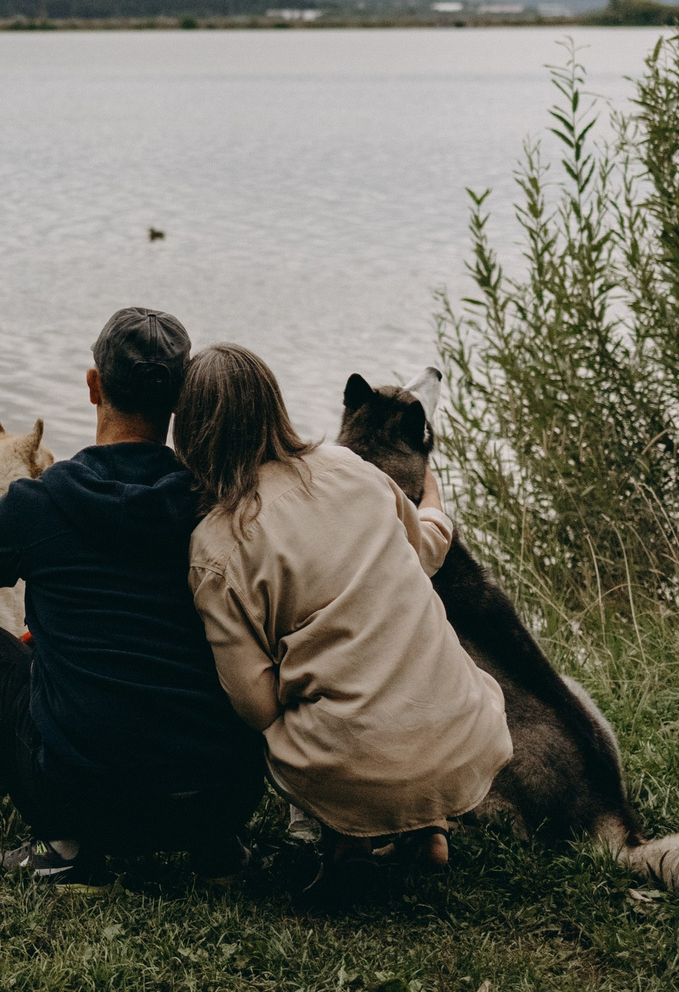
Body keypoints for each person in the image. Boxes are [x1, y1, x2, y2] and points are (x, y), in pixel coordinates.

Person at [0, 307, 262, 883]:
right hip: (219, 795)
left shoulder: (37, 504)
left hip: (91, 803)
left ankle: (65, 848)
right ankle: (217, 851)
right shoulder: (215, 502)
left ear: (93, 385)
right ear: (177, 399)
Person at [176, 343, 511, 862]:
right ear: (274, 406)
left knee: (297, 711)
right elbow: (422, 552)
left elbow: (257, 706)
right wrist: (433, 498)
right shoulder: (348, 466)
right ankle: (429, 829)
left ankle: (344, 838)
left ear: (190, 433)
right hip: (466, 737)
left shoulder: (215, 545)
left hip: (353, 768)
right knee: (402, 656)